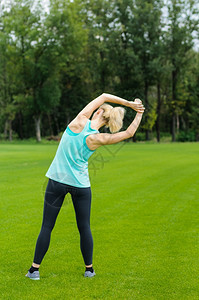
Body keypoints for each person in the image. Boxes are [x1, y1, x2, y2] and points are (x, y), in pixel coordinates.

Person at [25, 93, 145, 280]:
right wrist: (139, 112)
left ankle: (34, 270)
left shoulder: (79, 120)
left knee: (47, 226)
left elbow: (104, 95)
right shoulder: (98, 138)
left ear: (97, 111)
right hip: (81, 186)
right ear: (106, 122)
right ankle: (89, 269)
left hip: (57, 181)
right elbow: (129, 133)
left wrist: (128, 104)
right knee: (84, 227)